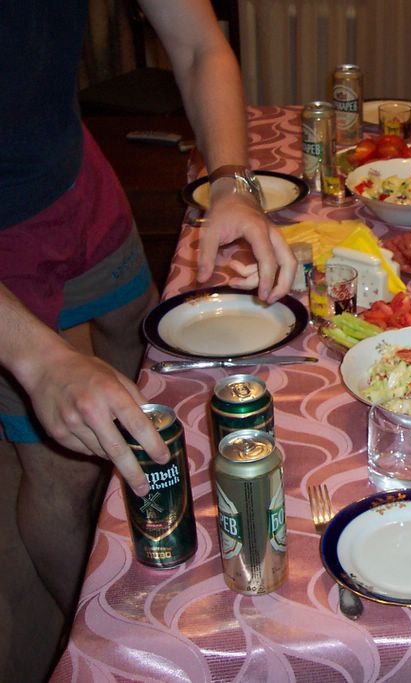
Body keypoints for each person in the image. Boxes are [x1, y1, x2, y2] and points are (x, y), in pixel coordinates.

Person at [0, 0, 297, 622]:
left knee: (143, 339)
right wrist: (38, 359)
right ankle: (90, 625)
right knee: (64, 466)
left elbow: (198, 44)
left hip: (72, 176)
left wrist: (231, 183)